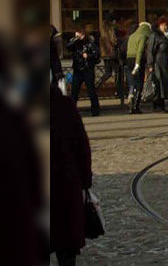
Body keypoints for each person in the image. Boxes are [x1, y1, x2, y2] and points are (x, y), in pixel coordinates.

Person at [50, 87, 93, 266]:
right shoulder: (65, 105)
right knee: (66, 250)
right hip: (65, 186)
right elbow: (82, 147)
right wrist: (85, 182)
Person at [66, 26, 101, 117]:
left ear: (83, 34)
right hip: (78, 69)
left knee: (91, 90)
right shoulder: (75, 43)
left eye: (78, 33)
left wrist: (88, 56)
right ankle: (71, 110)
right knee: (74, 91)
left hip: (87, 69)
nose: (76, 35)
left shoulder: (90, 42)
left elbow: (96, 54)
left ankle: (95, 110)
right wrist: (75, 39)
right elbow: (68, 47)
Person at [145, 17, 168, 112]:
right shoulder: (155, 35)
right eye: (164, 25)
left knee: (162, 84)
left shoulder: (166, 35)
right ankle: (158, 105)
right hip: (157, 63)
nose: (166, 27)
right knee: (158, 84)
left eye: (166, 25)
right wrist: (150, 64)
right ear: (160, 25)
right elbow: (150, 51)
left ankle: (159, 104)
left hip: (164, 62)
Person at [125, 21, 152, 114]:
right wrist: (137, 64)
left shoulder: (132, 36)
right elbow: (140, 50)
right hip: (137, 60)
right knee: (139, 83)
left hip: (128, 60)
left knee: (132, 83)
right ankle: (136, 106)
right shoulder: (143, 36)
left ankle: (131, 98)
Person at [96, 13, 124, 99]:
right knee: (118, 72)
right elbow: (113, 41)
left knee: (108, 73)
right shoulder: (111, 29)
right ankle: (119, 92)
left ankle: (96, 86)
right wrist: (120, 41)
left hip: (105, 54)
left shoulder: (103, 28)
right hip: (111, 53)